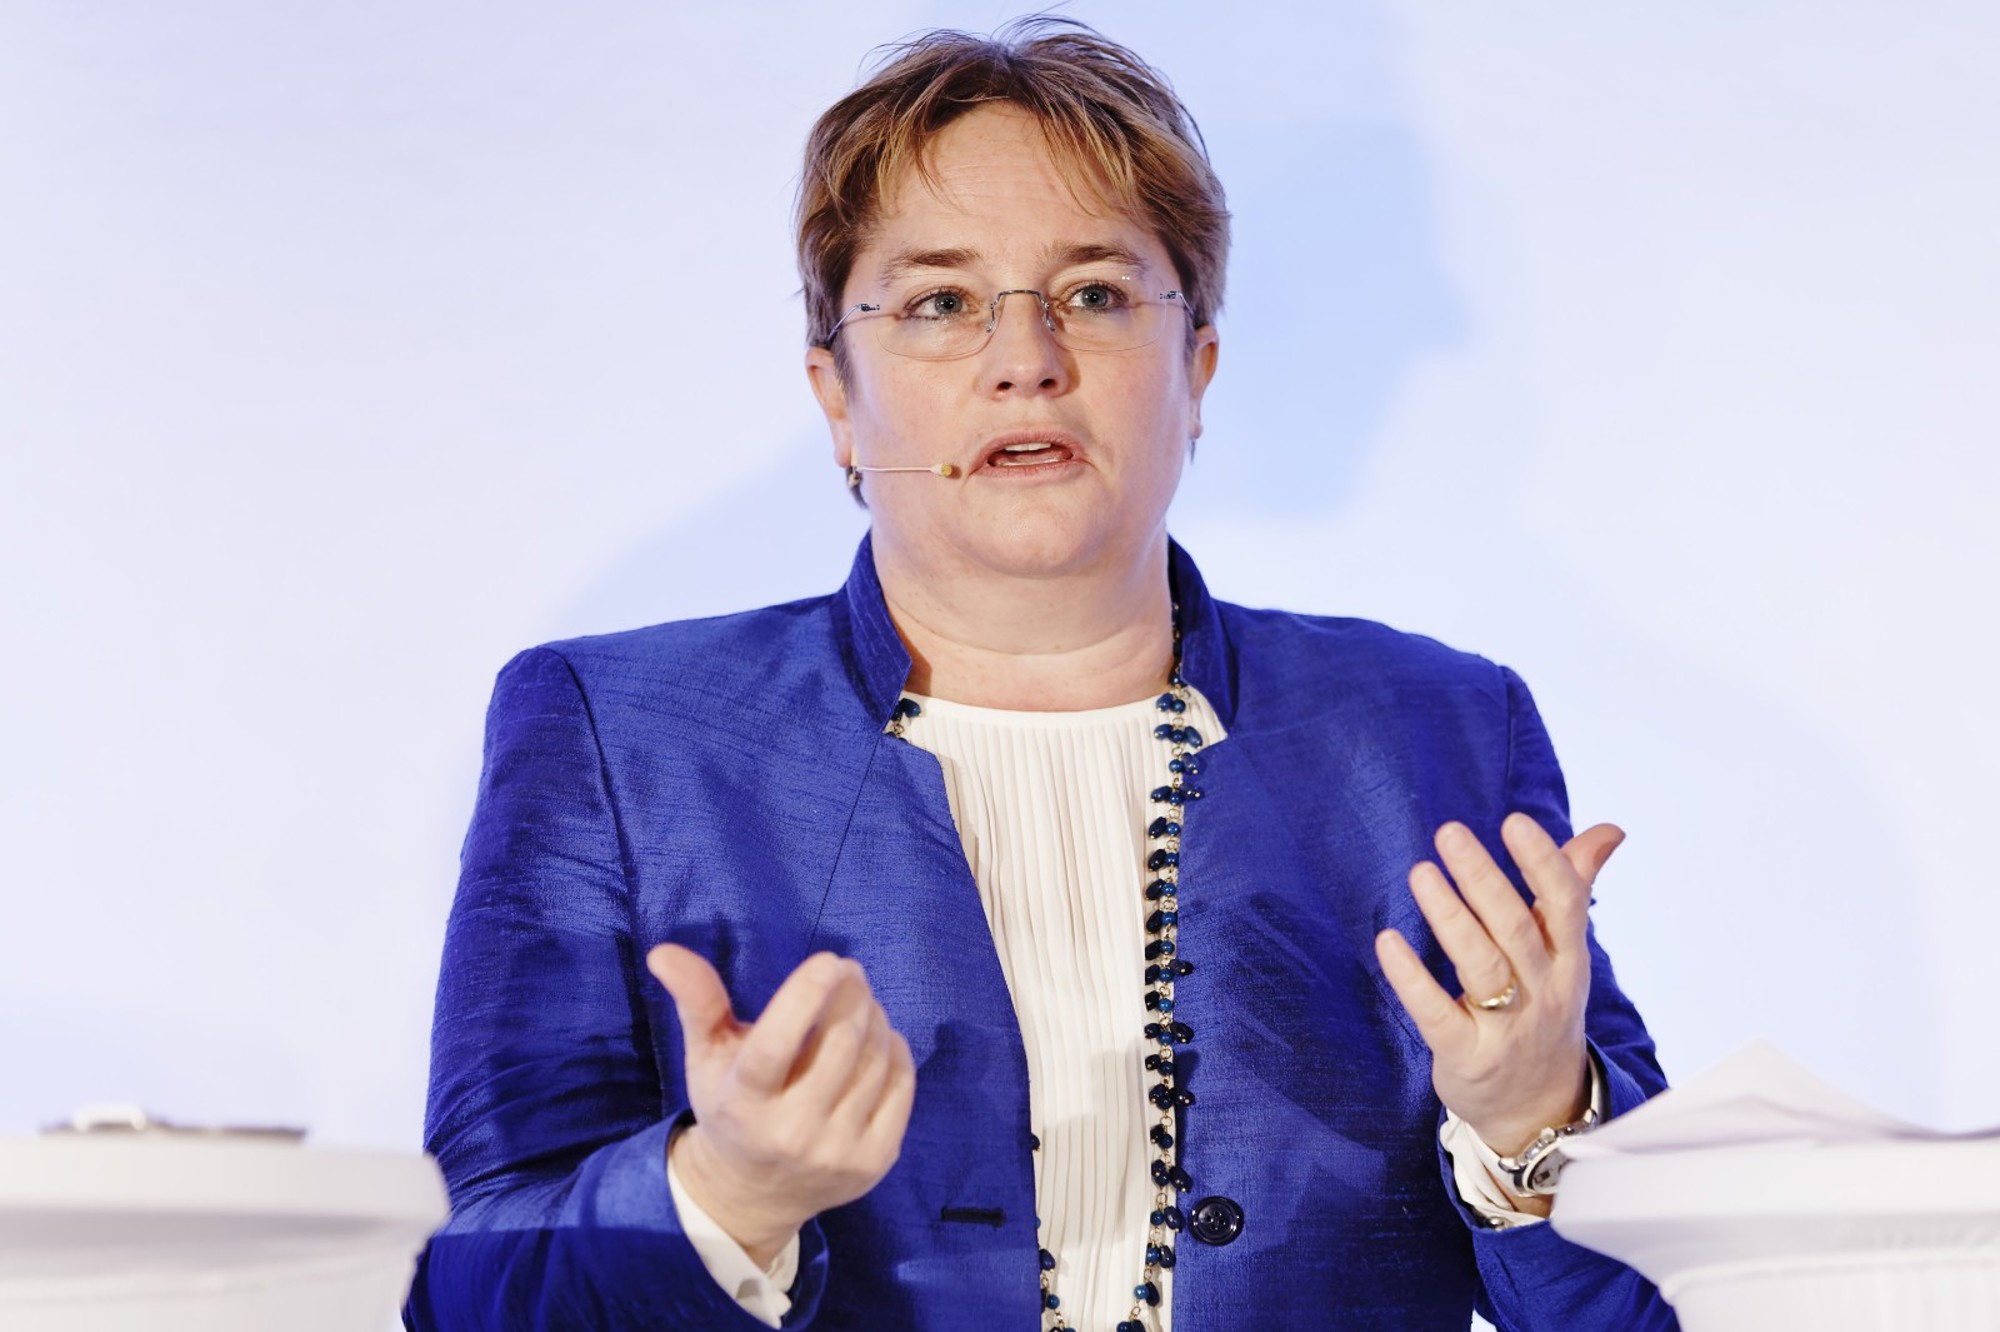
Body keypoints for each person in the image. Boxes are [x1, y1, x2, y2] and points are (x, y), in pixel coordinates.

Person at [405, 17, 1674, 1331]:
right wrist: (727, 1193)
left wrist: (1535, 1118)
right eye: (942, 303)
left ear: (1197, 368)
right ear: (836, 395)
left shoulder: (1433, 731)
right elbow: (467, 1289)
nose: (1028, 361)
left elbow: (1658, 1309)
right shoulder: (620, 737)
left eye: (1097, 294)